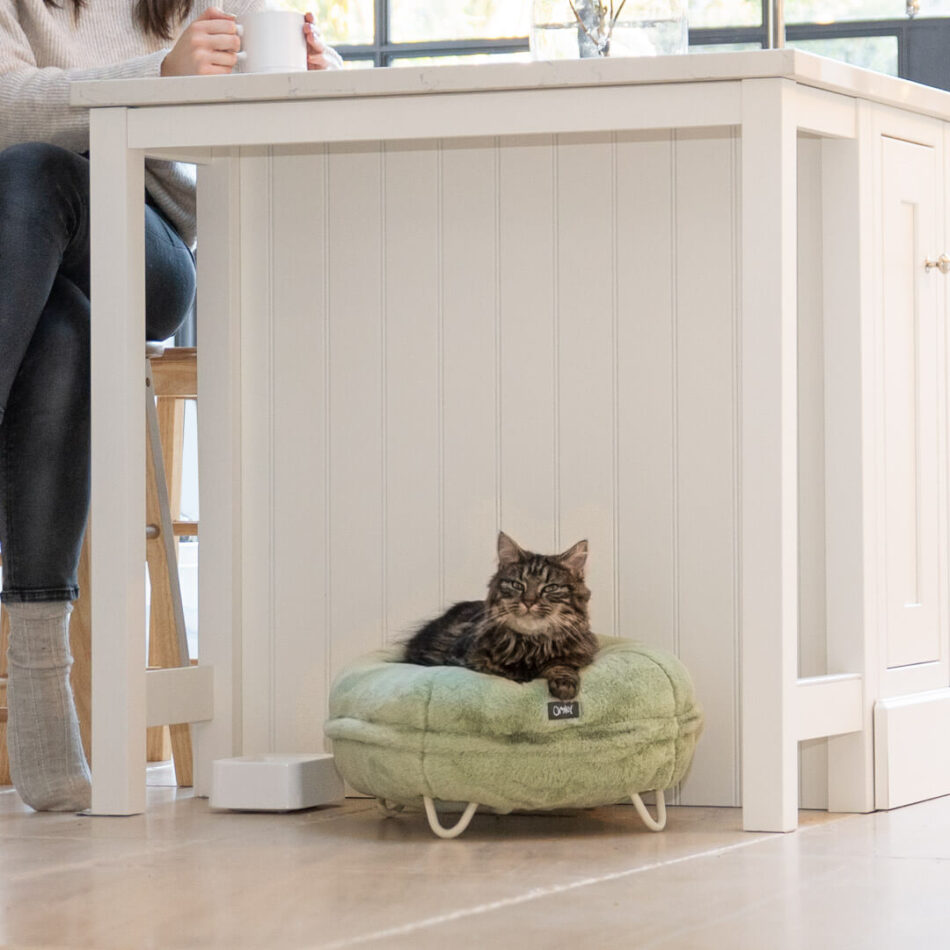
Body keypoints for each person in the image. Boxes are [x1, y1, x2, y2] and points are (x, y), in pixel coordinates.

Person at [0, 0, 339, 811]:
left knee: (38, 170)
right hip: (21, 259)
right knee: (62, 328)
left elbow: (244, 129)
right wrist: (154, 71)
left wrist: (308, 81)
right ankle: (42, 691)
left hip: (148, 245)